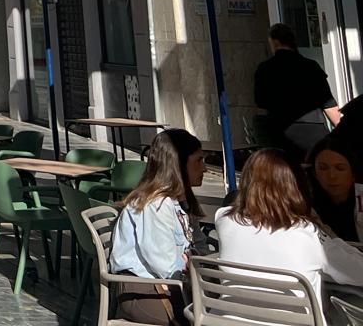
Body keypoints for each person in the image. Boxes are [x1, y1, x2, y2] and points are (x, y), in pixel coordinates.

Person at [217, 148, 363, 305]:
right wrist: (330, 235)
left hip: (226, 315)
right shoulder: (306, 233)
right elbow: (358, 272)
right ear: (295, 185)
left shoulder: (223, 219)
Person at [109, 128, 204, 324]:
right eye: (199, 161)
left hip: (175, 285)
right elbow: (165, 267)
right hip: (145, 290)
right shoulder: (155, 204)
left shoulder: (181, 201)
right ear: (179, 165)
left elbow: (199, 244)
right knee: (209, 315)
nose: (205, 169)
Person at [254, 23, 340, 156]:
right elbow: (328, 102)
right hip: (313, 131)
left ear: (275, 42)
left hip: (280, 132)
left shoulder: (265, 68)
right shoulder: (310, 66)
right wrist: (341, 131)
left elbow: (260, 101)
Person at [308, 139, 363, 242]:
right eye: (323, 168)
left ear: (353, 174)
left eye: (340, 168)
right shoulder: (307, 206)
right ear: (315, 173)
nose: (332, 176)